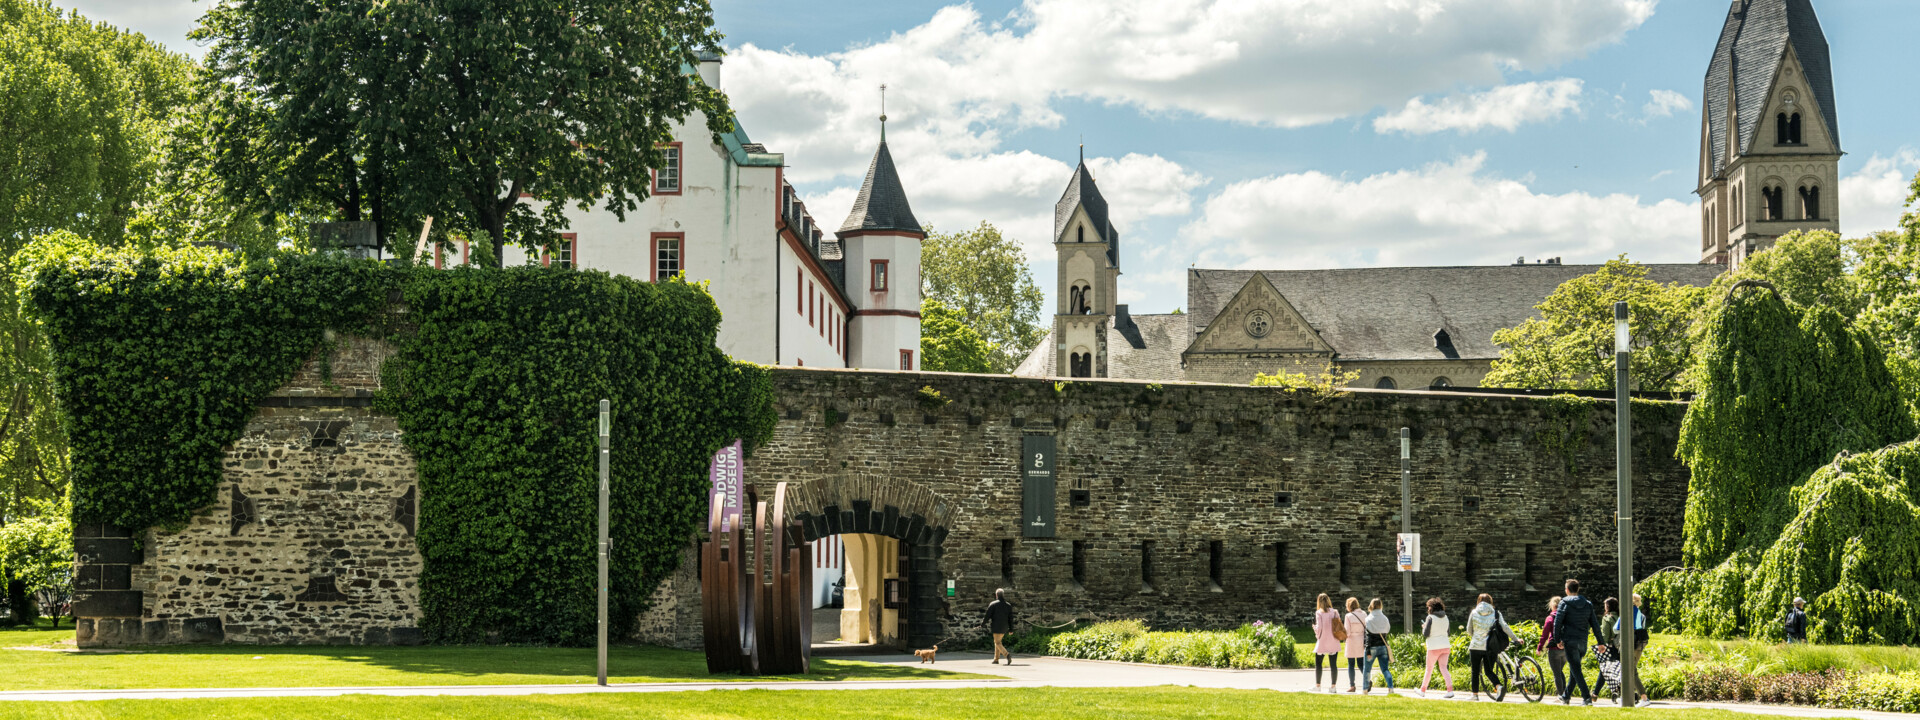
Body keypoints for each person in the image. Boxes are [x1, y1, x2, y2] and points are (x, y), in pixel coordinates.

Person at [1552, 579, 1605, 706]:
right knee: (1574, 670)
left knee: (1576, 669)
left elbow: (1557, 623)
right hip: (1582, 641)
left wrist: (1557, 639)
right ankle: (1566, 696)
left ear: (1567, 590)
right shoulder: (1587, 604)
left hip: (1570, 641)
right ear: (1577, 589)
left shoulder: (1564, 603)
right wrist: (1600, 642)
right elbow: (1595, 624)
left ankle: (1586, 698)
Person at [1465, 593, 1516, 701]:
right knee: (1488, 671)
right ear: (1490, 601)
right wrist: (1515, 638)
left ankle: (1475, 695)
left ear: (1478, 601)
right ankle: (1499, 686)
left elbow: (1469, 629)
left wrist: (1476, 636)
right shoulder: (1496, 613)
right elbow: (1505, 627)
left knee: (1475, 671)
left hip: (1476, 646)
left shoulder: (1474, 612)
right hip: (1490, 647)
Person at [1419, 597, 1455, 698]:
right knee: (1444, 668)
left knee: (1429, 669)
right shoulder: (1446, 617)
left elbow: (1426, 634)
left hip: (1433, 646)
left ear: (1431, 607)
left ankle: (1422, 690)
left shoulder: (1430, 618)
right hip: (1445, 646)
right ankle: (1450, 690)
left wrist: (1424, 627)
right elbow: (1448, 632)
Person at [1362, 598, 1395, 695]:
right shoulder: (1385, 618)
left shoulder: (1368, 619)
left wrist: (1367, 650)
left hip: (1371, 647)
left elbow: (1368, 636)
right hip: (1383, 646)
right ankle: (1391, 688)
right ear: (1381, 606)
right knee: (1385, 669)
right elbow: (1387, 630)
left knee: (1367, 669)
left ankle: (1365, 689)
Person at [1312, 593, 1341, 692]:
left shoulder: (1319, 613)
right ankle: (1333, 686)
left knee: (1318, 663)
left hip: (1323, 640)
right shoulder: (1335, 612)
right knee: (1333, 664)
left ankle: (1318, 685)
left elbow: (1319, 627)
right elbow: (1338, 626)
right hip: (1333, 640)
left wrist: (1316, 631)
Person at [1539, 596, 1567, 698]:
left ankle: (1561, 695)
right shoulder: (1566, 617)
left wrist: (1540, 647)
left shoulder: (1550, 618)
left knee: (1557, 674)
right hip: (1565, 648)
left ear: (1553, 606)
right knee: (1559, 671)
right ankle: (1565, 693)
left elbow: (1544, 635)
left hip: (1554, 649)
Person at [984, 588, 1015, 665]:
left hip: (996, 626)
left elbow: (987, 616)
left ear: (996, 595)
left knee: (997, 642)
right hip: (1004, 627)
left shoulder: (993, 604)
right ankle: (996, 659)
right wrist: (1011, 629)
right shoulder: (1008, 605)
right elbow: (1010, 618)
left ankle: (1007, 655)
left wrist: (982, 624)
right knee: (998, 642)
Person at [1343, 597, 1367, 692]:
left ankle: (1352, 685)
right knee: (1361, 664)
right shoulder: (1364, 614)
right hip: (1361, 640)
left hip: (1352, 640)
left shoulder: (1348, 616)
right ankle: (1367, 680)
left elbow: (1347, 632)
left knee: (1351, 664)